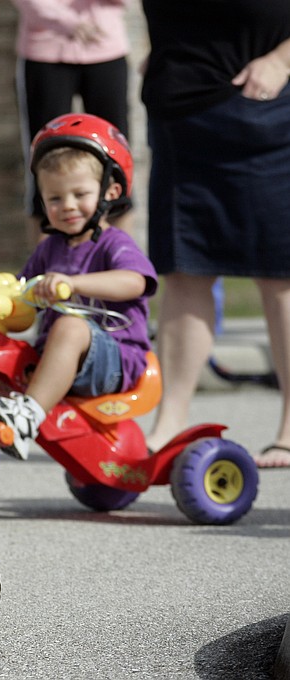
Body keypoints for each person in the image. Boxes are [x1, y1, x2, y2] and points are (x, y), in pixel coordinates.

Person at [139, 1, 290, 468]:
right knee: (185, 271)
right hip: (180, 119)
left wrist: (282, 59)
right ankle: (171, 423)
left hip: (266, 118)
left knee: (278, 274)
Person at [0, 113, 157, 460]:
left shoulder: (114, 244)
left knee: (71, 325)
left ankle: (26, 417)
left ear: (111, 191)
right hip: (59, 358)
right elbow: (21, 297)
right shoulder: (48, 249)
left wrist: (71, 283)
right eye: (55, 198)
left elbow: (135, 281)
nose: (68, 205)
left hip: (117, 360)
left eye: (80, 193)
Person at [12, 0, 134, 242]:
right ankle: (43, 267)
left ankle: (124, 262)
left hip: (105, 45)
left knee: (117, 156)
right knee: (43, 157)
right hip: (45, 50)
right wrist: (67, 21)